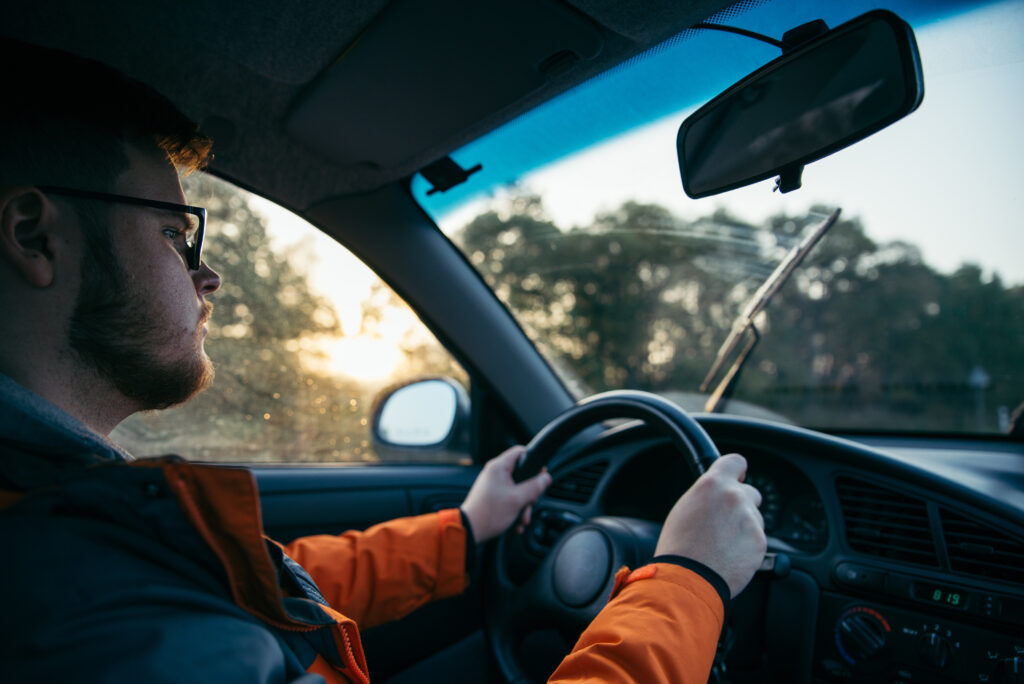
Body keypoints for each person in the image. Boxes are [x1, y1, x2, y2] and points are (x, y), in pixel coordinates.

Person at [0, 38, 766, 683]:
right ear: (37, 237)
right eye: (175, 235)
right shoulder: (81, 600)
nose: (209, 274)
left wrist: (465, 529)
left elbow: (275, 585)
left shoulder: (66, 519)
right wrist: (688, 583)